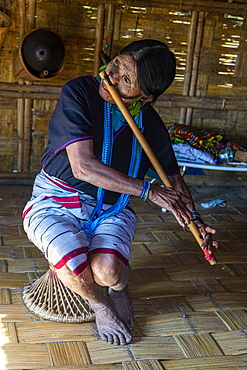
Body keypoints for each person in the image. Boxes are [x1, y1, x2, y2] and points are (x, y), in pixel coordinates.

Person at [23, 39, 219, 346]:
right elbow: (83, 168)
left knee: (109, 272)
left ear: (146, 96)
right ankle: (100, 305)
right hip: (55, 201)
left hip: (111, 209)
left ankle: (118, 289)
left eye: (126, 80)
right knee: (72, 262)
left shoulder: (150, 124)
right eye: (115, 65)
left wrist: (194, 218)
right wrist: (148, 191)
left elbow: (173, 179)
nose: (111, 77)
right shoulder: (80, 93)